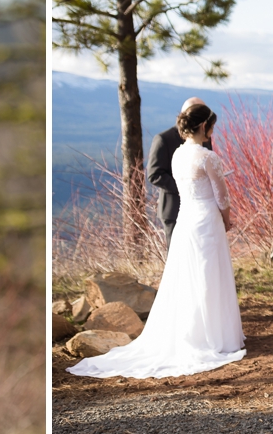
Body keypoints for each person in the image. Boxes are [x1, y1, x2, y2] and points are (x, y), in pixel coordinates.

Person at [69, 101, 246, 379]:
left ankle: (193, 332)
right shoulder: (207, 157)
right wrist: (227, 219)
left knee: (188, 277)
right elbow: (222, 196)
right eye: (212, 125)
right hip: (207, 220)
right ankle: (216, 337)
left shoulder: (177, 154)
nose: (213, 130)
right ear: (203, 126)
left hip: (186, 220)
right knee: (210, 275)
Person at [147, 95, 206, 241]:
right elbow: (154, 174)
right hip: (174, 210)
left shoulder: (205, 138)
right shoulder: (163, 139)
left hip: (200, 209)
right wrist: (184, 187)